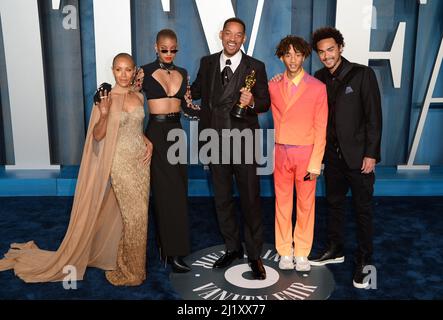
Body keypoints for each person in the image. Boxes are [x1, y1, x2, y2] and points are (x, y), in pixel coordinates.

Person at [0, 53, 153, 286]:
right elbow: (98, 136)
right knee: (134, 218)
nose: (123, 75)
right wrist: (103, 114)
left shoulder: (139, 96)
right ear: (112, 70)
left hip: (140, 164)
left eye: (128, 70)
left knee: (137, 216)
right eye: (118, 69)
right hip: (120, 164)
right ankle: (132, 271)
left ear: (134, 71)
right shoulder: (106, 98)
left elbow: (133, 127)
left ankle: (128, 263)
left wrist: (147, 141)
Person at [190, 17, 271, 280]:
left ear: (244, 38)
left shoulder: (255, 66)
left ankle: (255, 255)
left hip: (244, 144)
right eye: (228, 33)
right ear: (221, 34)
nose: (233, 39)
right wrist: (183, 93)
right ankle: (232, 248)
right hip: (215, 143)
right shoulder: (208, 62)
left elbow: (265, 103)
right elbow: (196, 92)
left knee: (250, 200)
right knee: (222, 200)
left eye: (238, 35)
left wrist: (252, 101)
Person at [308, 27, 382, 289]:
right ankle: (335, 248)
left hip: (360, 157)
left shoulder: (362, 74)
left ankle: (364, 259)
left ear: (340, 47)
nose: (327, 56)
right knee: (334, 204)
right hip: (332, 157)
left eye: (331, 49)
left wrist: (371, 153)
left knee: (362, 211)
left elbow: (374, 117)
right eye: (321, 52)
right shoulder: (317, 78)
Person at [268, 36, 327, 272]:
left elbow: (321, 128)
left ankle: (302, 251)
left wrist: (316, 163)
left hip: (306, 154)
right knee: (282, 204)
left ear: (304, 56)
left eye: (298, 54)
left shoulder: (317, 87)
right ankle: (284, 250)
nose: (293, 60)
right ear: (281, 57)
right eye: (288, 54)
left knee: (305, 205)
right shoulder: (272, 85)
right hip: (281, 152)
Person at [138, 29, 192, 273]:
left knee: (179, 191)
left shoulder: (183, 73)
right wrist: (139, 136)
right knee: (162, 192)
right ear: (155, 47)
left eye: (173, 50)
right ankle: (169, 250)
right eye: (164, 49)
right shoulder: (143, 72)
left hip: (177, 132)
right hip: (156, 134)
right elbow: (131, 104)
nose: (169, 54)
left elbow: (189, 108)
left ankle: (175, 248)